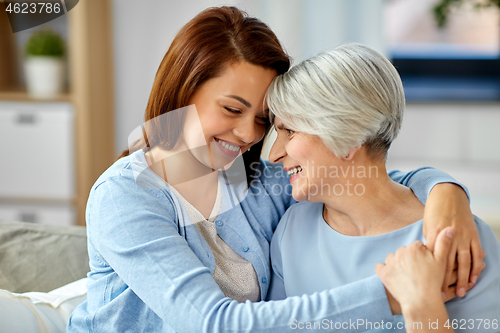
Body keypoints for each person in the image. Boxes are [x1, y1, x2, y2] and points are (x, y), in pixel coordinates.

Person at [67, 7, 484, 332]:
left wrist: (446, 193)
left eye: (266, 119)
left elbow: (363, 174)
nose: (250, 134)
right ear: (183, 89)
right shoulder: (125, 197)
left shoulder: (258, 183)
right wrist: (393, 295)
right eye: (232, 109)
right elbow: (211, 324)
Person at [267, 43, 500, 332]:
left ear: (348, 136)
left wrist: (422, 307)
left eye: (289, 130)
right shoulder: (291, 230)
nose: (273, 154)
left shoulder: (457, 238)